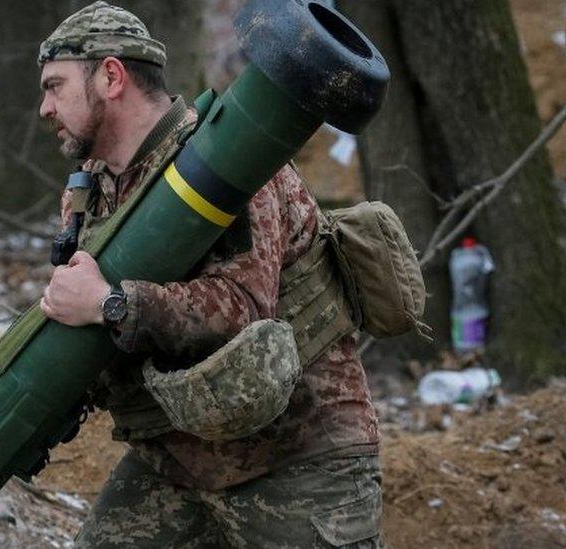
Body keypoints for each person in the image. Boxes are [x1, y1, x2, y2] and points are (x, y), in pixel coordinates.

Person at [37, 2, 384, 548]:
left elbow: (245, 309)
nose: (44, 107)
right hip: (176, 458)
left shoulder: (229, 158)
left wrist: (114, 305)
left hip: (298, 455)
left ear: (110, 76)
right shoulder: (88, 193)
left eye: (55, 86)